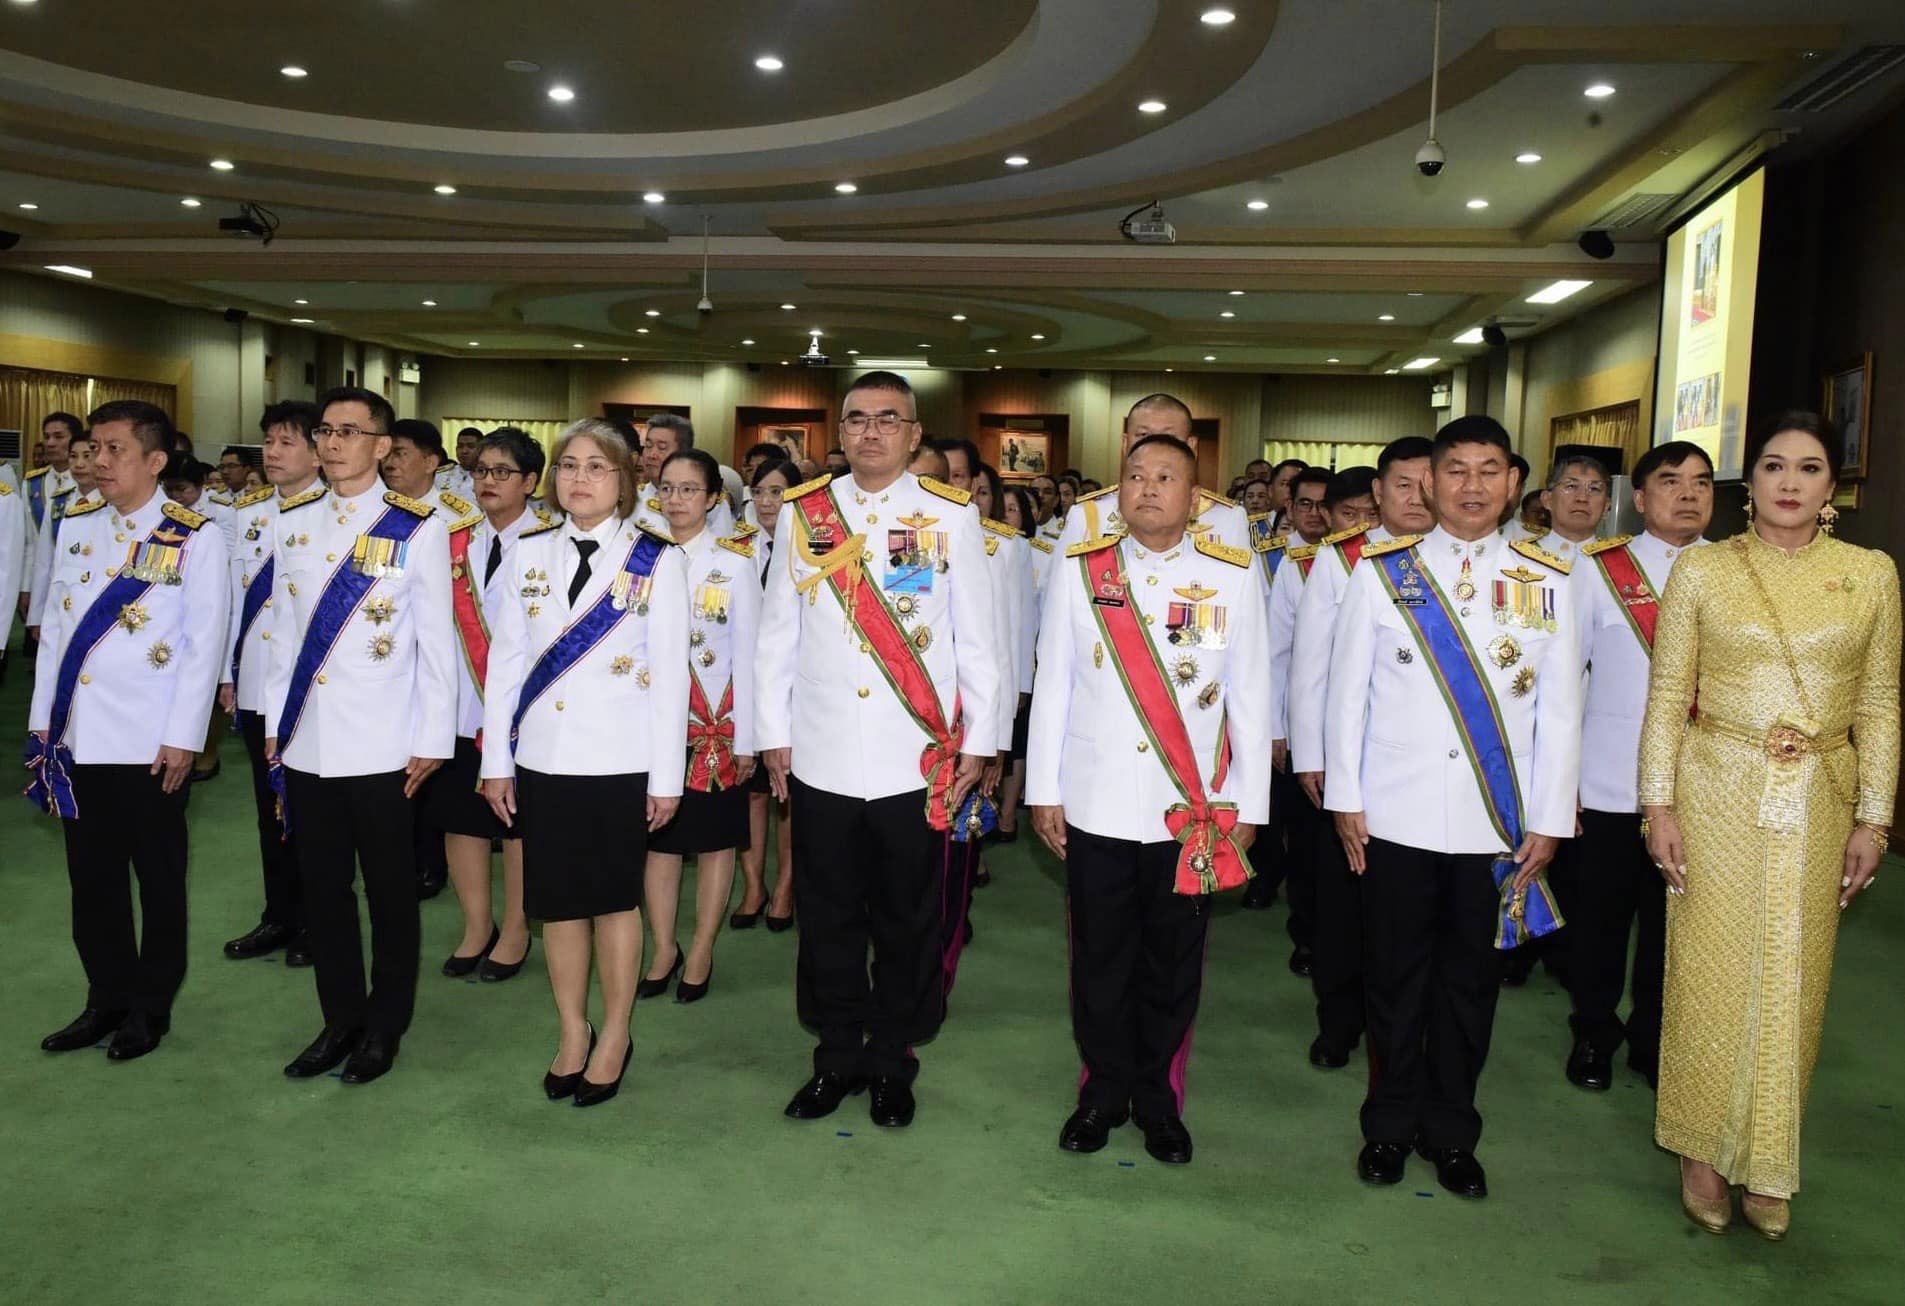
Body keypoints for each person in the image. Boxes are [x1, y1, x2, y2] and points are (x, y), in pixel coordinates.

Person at [1640, 411, 1898, 1240]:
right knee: (1710, 972)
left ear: (1832, 487)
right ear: (1747, 484)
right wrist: (1657, 803)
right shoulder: (1703, 572)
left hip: (1821, 796)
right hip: (1716, 790)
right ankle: (1699, 1151)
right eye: (1773, 466)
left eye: (1809, 468)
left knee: (1796, 976)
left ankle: (1768, 1157)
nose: (1789, 483)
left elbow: (1880, 706)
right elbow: (1666, 697)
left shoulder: (1870, 575)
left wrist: (1876, 819)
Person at [1325, 414, 1582, 1199]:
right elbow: (1347, 697)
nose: (1472, 486)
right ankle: (1387, 1126)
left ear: (1513, 484)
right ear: (1428, 483)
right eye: (1456, 470)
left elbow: (1561, 712)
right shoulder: (1380, 570)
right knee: (1394, 980)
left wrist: (1548, 819)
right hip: (1395, 818)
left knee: (1469, 985)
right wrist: (1345, 798)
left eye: (1488, 470)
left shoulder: (1548, 579)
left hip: (1494, 826)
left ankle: (1452, 1131)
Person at [757, 370, 1000, 1128]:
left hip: (914, 760)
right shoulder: (806, 513)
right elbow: (775, 638)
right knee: (828, 916)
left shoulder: (949, 515)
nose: (870, 432)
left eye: (887, 419)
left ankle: (894, 1058)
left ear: (913, 433)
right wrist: (773, 736)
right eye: (856, 419)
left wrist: (981, 744)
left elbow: (977, 641)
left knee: (906, 917)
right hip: (824, 752)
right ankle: (835, 1056)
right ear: (839, 432)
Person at [1027, 434, 1272, 1164]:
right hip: (1096, 801)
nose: (1146, 488)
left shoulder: (1229, 576)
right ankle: (1101, 1092)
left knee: (1170, 961)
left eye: (1165, 477)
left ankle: (1158, 1099)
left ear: (1193, 498)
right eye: (1134, 475)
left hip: (1188, 810)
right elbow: (1054, 687)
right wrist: (1043, 791)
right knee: (1099, 958)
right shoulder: (1080, 571)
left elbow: (1251, 699)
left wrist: (1249, 809)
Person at [480, 418, 690, 1107]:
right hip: (543, 760)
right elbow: (504, 666)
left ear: (627, 481)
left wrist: (666, 779)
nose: (579, 479)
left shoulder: (657, 560)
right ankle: (573, 1028)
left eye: (597, 467)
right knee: (559, 908)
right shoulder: (527, 553)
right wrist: (495, 761)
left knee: (612, 903)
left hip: (618, 762)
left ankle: (616, 1032)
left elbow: (670, 680)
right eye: (569, 465)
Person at [28, 401, 231, 1061]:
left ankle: (150, 1006)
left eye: (115, 450)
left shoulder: (193, 536)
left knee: (158, 878)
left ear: (154, 460)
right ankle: (104, 997)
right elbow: (56, 635)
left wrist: (184, 736)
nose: (99, 462)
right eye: (95, 448)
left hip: (148, 742)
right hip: (81, 737)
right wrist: (44, 727)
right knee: (92, 879)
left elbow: (204, 644)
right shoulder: (78, 524)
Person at [267, 386, 455, 1086]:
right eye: (325, 430)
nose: (333, 441)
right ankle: (339, 1019)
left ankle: (384, 1025)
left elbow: (436, 644)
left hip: (384, 743)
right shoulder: (294, 521)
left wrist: (432, 738)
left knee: (387, 891)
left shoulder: (418, 526)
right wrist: (274, 725)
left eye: (350, 430)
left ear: (383, 447)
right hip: (309, 738)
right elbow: (283, 635)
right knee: (322, 889)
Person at [1551, 440, 1713, 1094]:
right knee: (1600, 922)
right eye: (1669, 482)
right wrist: (1563, 786)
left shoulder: (1733, 570)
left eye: (1700, 483)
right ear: (1639, 499)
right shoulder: (1598, 569)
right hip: (1612, 781)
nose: (1687, 495)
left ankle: (1653, 1037)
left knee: (1675, 925)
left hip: (1704, 786)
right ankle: (1593, 1032)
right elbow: (1565, 684)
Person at [1288, 439, 1435, 1067]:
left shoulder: (1460, 564)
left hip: (1425, 770)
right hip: (1350, 765)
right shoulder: (1344, 558)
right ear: (1378, 493)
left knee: (1412, 916)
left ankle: (1403, 1026)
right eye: (1403, 484)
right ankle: (1338, 1020)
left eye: (1430, 482)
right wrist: (1311, 755)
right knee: (1343, 908)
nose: (1418, 496)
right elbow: (1311, 663)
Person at [640, 448, 759, 1004]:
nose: (676, 499)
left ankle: (703, 946)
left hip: (714, 724)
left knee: (714, 844)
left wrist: (750, 737)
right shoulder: (637, 557)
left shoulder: (734, 563)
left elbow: (752, 655)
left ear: (713, 498)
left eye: (690, 489)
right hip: (648, 726)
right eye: (667, 488)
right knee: (657, 844)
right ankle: (663, 946)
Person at [434, 428, 551, 983]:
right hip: (461, 706)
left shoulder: (553, 540)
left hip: (522, 713)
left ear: (531, 482)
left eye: (502, 472)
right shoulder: (452, 539)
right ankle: (476, 925)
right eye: (481, 470)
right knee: (462, 822)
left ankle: (516, 927)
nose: (487, 481)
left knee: (518, 828)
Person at [220, 401, 322, 966]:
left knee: (309, 809)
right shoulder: (248, 510)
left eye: (287, 441)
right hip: (257, 683)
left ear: (317, 450)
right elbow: (233, 600)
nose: (273, 452)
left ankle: (315, 916)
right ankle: (278, 914)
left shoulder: (335, 513)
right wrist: (227, 674)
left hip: (308, 689)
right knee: (268, 807)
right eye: (269, 441)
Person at [383, 419, 469, 898]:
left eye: (402, 453)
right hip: (390, 662)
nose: (391, 462)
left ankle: (430, 861)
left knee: (432, 771)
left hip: (441, 657)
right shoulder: (375, 514)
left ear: (432, 462)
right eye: (388, 454)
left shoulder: (458, 519)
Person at [1251, 466, 1333, 923]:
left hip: (1342, 723)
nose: (1316, 513)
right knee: (1285, 819)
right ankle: (1275, 888)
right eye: (1305, 503)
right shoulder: (1275, 561)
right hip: (1289, 716)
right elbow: (1273, 654)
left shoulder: (1357, 560)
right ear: (1289, 508)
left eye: (1325, 504)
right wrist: (1275, 728)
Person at [736, 458, 800, 931]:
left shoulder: (813, 547)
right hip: (744, 688)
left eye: (777, 492)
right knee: (753, 793)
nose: (766, 502)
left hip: (796, 688)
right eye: (759, 492)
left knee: (790, 794)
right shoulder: (737, 548)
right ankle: (754, 883)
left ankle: (786, 886)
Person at [995, 483, 1044, 846]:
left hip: (1025, 659)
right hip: (996, 659)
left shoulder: (1032, 549)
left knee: (1016, 746)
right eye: (1005, 508)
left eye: (1015, 509)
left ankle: (1008, 813)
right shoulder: (986, 544)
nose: (1009, 514)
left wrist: (1025, 678)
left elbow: (1028, 615)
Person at [637, 414, 735, 537]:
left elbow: (720, 548)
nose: (651, 454)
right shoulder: (634, 497)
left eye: (662, 448)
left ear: (683, 453)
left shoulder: (709, 500)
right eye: (648, 446)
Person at [1537, 453, 1611, 564]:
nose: (1582, 498)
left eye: (1594, 489)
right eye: (1571, 486)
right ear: (1548, 500)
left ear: (1606, 506)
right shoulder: (1519, 558)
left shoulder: (1620, 564)